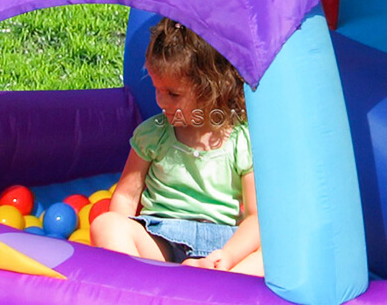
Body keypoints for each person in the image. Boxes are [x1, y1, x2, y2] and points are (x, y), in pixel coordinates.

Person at [91, 18, 263, 276]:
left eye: (173, 94)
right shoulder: (153, 134)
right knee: (105, 224)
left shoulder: (241, 140)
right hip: (162, 239)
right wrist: (122, 240)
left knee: (269, 257)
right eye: (157, 89)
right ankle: (138, 285)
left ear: (210, 87)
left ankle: (212, 280)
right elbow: (126, 197)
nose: (161, 101)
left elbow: (255, 217)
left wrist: (227, 256)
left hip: (222, 246)